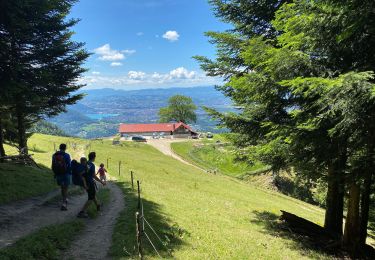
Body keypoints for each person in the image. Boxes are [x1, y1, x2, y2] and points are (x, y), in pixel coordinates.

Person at [77, 152, 106, 218]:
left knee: (92, 195)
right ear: (94, 158)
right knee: (91, 198)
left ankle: (98, 205)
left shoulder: (86, 163)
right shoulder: (91, 165)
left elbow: (83, 174)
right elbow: (93, 176)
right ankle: (82, 212)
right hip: (89, 183)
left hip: (86, 183)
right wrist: (102, 182)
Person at [52, 143, 71, 211]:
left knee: (62, 187)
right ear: (65, 148)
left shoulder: (54, 155)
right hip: (66, 174)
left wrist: (55, 173)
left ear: (59, 148)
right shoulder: (67, 155)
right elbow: (69, 165)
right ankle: (64, 203)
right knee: (65, 188)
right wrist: (70, 172)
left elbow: (53, 165)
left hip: (58, 174)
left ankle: (64, 199)